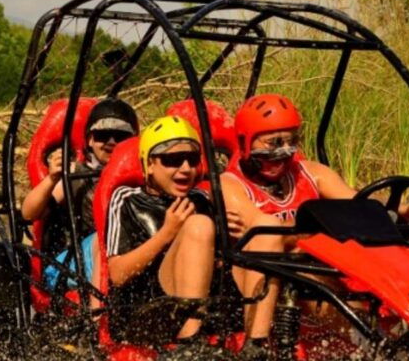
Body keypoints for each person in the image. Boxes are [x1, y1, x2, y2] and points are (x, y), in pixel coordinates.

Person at [220, 94, 409, 353]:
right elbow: (267, 235)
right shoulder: (231, 186)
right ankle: (259, 347)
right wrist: (323, 226)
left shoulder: (312, 173)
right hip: (281, 281)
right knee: (303, 271)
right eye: (273, 143)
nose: (282, 152)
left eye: (290, 141)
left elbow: (358, 204)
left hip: (331, 267)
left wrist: (407, 210)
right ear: (246, 142)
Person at [105, 116, 282, 359]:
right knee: (198, 225)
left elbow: (222, 262)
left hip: (211, 305)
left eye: (192, 159)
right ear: (149, 164)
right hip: (152, 309)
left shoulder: (202, 198)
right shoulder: (128, 199)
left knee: (266, 227)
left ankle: (256, 346)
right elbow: (118, 274)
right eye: (172, 160)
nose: (186, 168)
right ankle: (188, 345)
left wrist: (236, 239)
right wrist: (168, 233)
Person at [22, 97, 138, 291]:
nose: (111, 142)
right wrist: (52, 179)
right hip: (71, 262)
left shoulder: (144, 175)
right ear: (90, 140)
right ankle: (100, 317)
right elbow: (29, 213)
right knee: (104, 241)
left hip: (121, 256)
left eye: (120, 136)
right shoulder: (75, 173)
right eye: (103, 135)